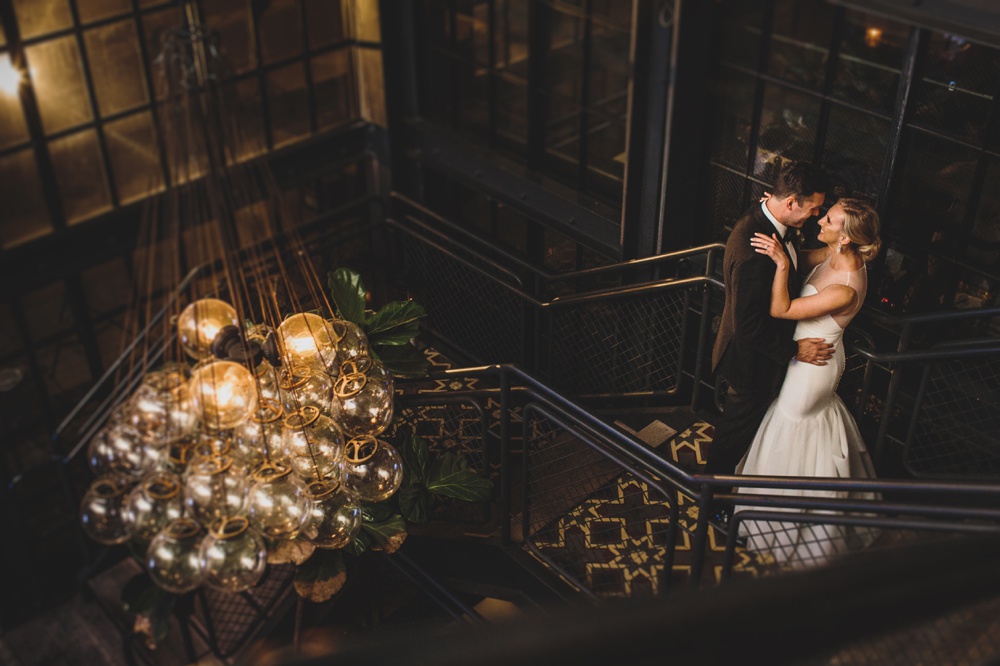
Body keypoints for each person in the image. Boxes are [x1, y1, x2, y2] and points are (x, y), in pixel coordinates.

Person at [735, 197, 883, 569]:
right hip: (805, 354)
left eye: (829, 219)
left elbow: (781, 309)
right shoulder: (835, 252)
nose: (820, 220)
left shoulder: (846, 287)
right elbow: (806, 255)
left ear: (845, 238)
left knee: (793, 428)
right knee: (803, 432)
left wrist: (782, 265)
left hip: (814, 365)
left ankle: (786, 531)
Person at [707, 162, 834, 482]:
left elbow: (792, 260)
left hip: (760, 357)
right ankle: (712, 497)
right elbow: (749, 327)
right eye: (814, 208)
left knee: (747, 430)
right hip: (750, 363)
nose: (817, 215)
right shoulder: (755, 251)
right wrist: (795, 350)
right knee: (732, 437)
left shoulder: (771, 215)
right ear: (790, 203)